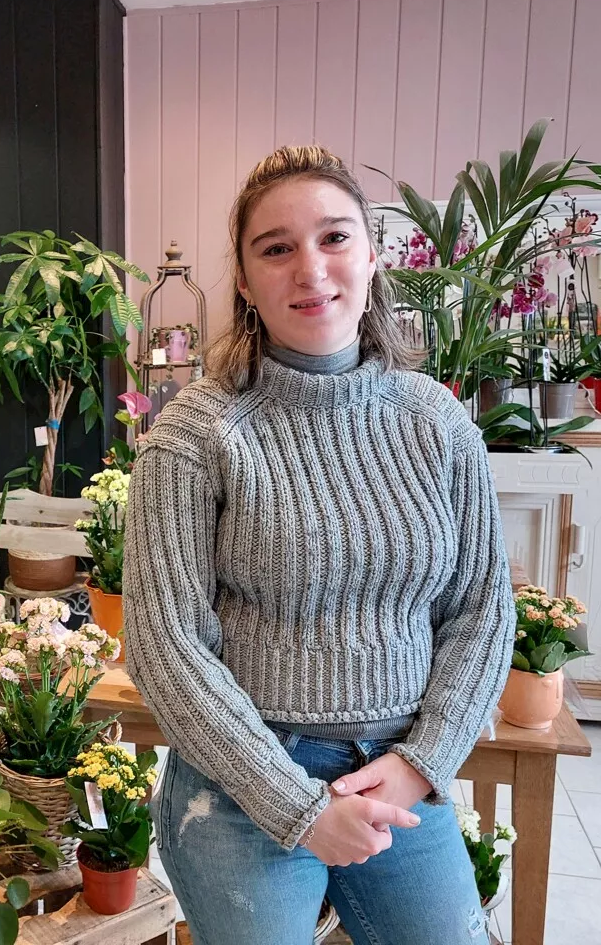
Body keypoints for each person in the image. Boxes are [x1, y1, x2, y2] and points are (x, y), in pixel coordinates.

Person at [123, 144, 515, 945]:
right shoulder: (195, 435)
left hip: (400, 772)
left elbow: (481, 609)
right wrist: (298, 810)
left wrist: (422, 762)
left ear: (372, 256)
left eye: (335, 238)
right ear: (242, 278)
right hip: (241, 784)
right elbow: (164, 646)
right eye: (277, 248)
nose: (310, 268)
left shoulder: (437, 423)